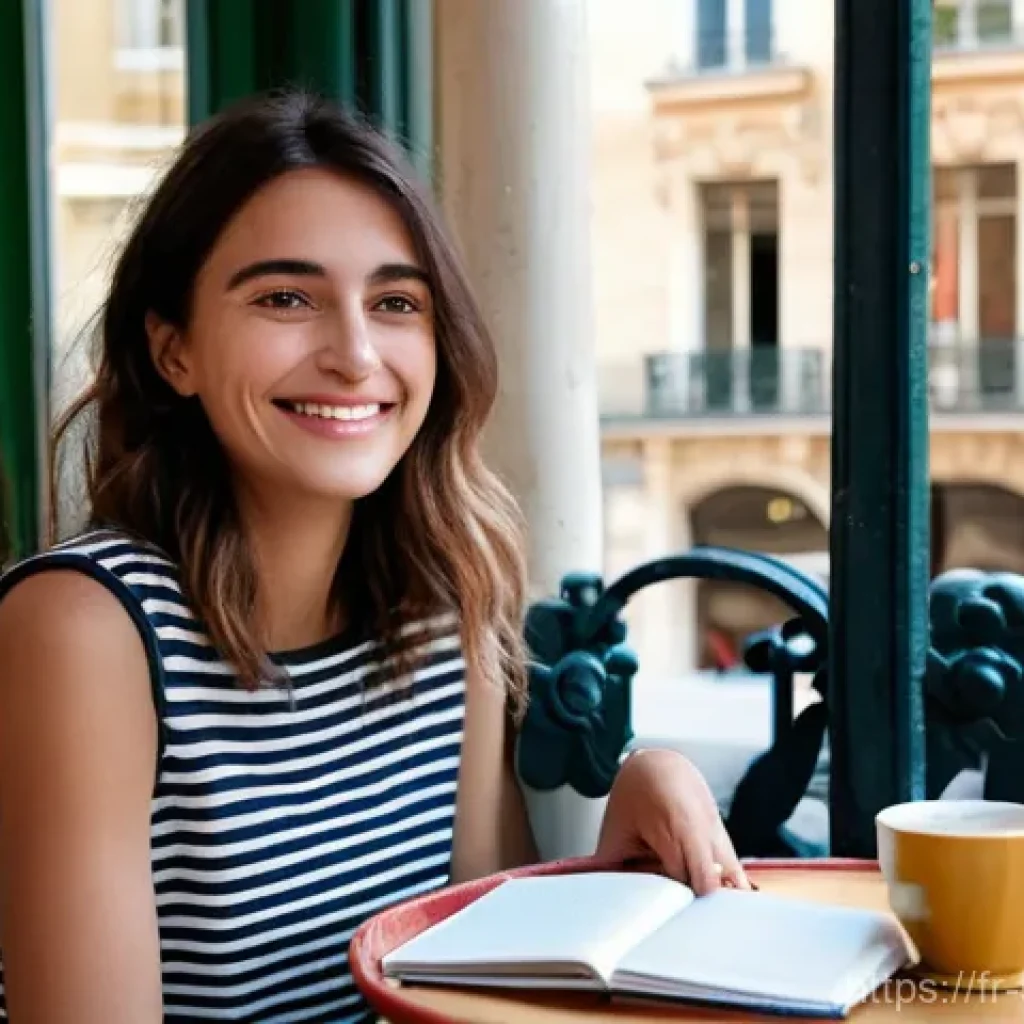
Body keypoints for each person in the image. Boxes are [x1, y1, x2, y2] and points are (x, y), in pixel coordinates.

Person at [0, 90, 747, 1024]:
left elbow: (478, 990)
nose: (355, 355)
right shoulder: (87, 631)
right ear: (173, 350)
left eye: (396, 302)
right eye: (284, 298)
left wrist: (635, 807)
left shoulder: (449, 606)